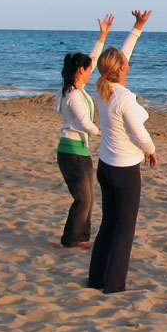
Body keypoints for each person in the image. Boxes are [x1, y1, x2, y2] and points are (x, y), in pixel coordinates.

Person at [88, 10, 156, 294]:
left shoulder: (104, 88)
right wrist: (151, 149)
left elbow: (120, 56)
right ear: (122, 69)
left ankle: (96, 279)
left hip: (105, 167)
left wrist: (137, 28)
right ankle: (114, 285)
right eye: (126, 61)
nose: (129, 60)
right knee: (124, 230)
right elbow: (138, 131)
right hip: (125, 171)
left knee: (109, 223)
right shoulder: (125, 98)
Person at [53, 14, 114, 249]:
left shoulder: (75, 88)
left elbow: (93, 59)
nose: (92, 72)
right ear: (80, 71)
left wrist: (103, 35)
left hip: (80, 151)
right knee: (83, 199)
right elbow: (86, 124)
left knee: (89, 199)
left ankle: (82, 238)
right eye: (88, 70)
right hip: (71, 153)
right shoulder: (72, 95)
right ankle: (70, 240)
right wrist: (106, 133)